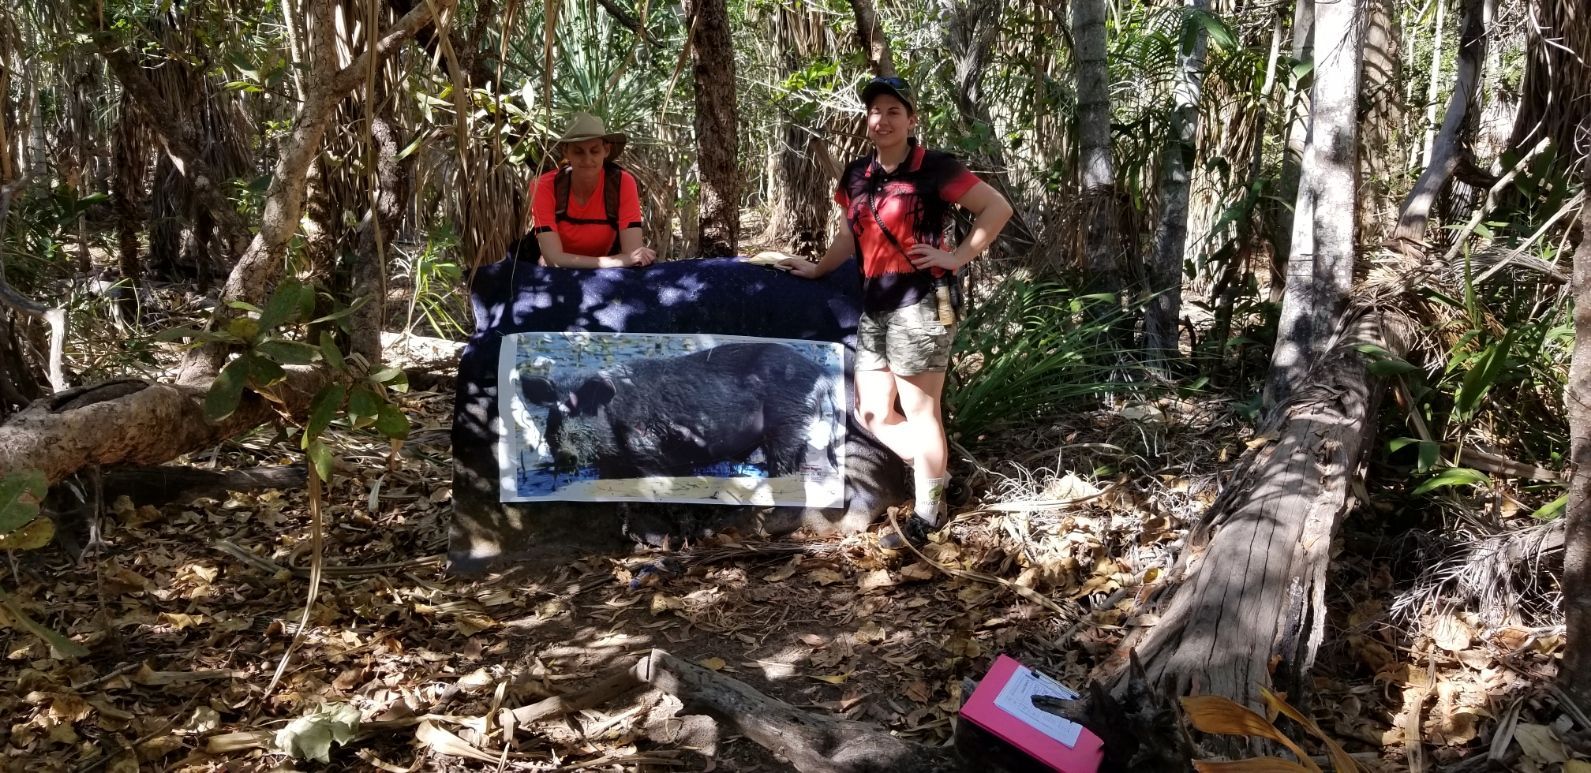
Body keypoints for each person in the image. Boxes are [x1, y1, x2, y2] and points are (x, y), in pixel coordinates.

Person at [776, 75, 1012, 548]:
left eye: (893, 111)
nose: (881, 120)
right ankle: (940, 479)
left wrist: (956, 256)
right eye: (875, 112)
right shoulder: (856, 175)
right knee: (872, 412)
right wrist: (818, 269)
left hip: (921, 303)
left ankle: (928, 513)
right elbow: (851, 235)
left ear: (911, 120)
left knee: (921, 412)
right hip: (876, 307)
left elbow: (996, 208)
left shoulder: (934, 168)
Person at [523, 112, 656, 269]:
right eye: (578, 151)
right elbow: (554, 260)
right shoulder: (544, 186)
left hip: (604, 271)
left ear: (606, 150)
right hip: (549, 272)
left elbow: (633, 253)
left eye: (594, 151)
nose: (587, 159)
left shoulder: (622, 183)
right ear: (565, 151)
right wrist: (619, 261)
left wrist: (626, 259)